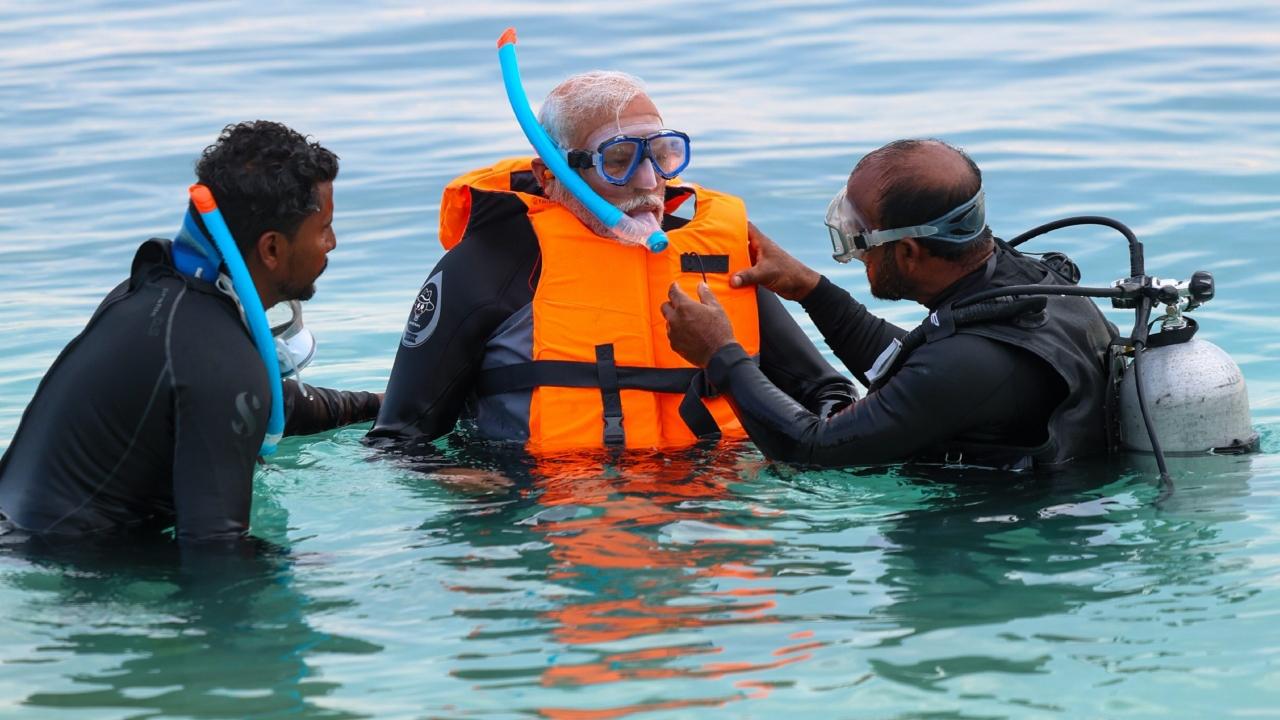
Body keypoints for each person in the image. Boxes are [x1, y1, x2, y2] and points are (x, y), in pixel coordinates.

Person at [369, 71, 852, 452]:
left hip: (709, 518)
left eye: (663, 154)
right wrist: (473, 490)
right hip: (547, 521)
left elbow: (829, 393)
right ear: (550, 174)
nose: (648, 180)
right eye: (618, 160)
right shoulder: (489, 266)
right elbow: (395, 441)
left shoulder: (713, 258)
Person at [0, 121, 382, 544]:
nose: (332, 242)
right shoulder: (220, 359)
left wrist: (374, 405)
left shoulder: (154, 298)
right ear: (272, 248)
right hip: (64, 568)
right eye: (324, 227)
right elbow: (216, 554)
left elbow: (253, 401)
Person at [662, 138, 1116, 470]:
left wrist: (719, 355)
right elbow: (912, 369)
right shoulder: (1032, 283)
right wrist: (809, 289)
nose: (856, 255)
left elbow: (813, 450)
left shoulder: (968, 362)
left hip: (999, 544)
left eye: (859, 240)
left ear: (909, 253)